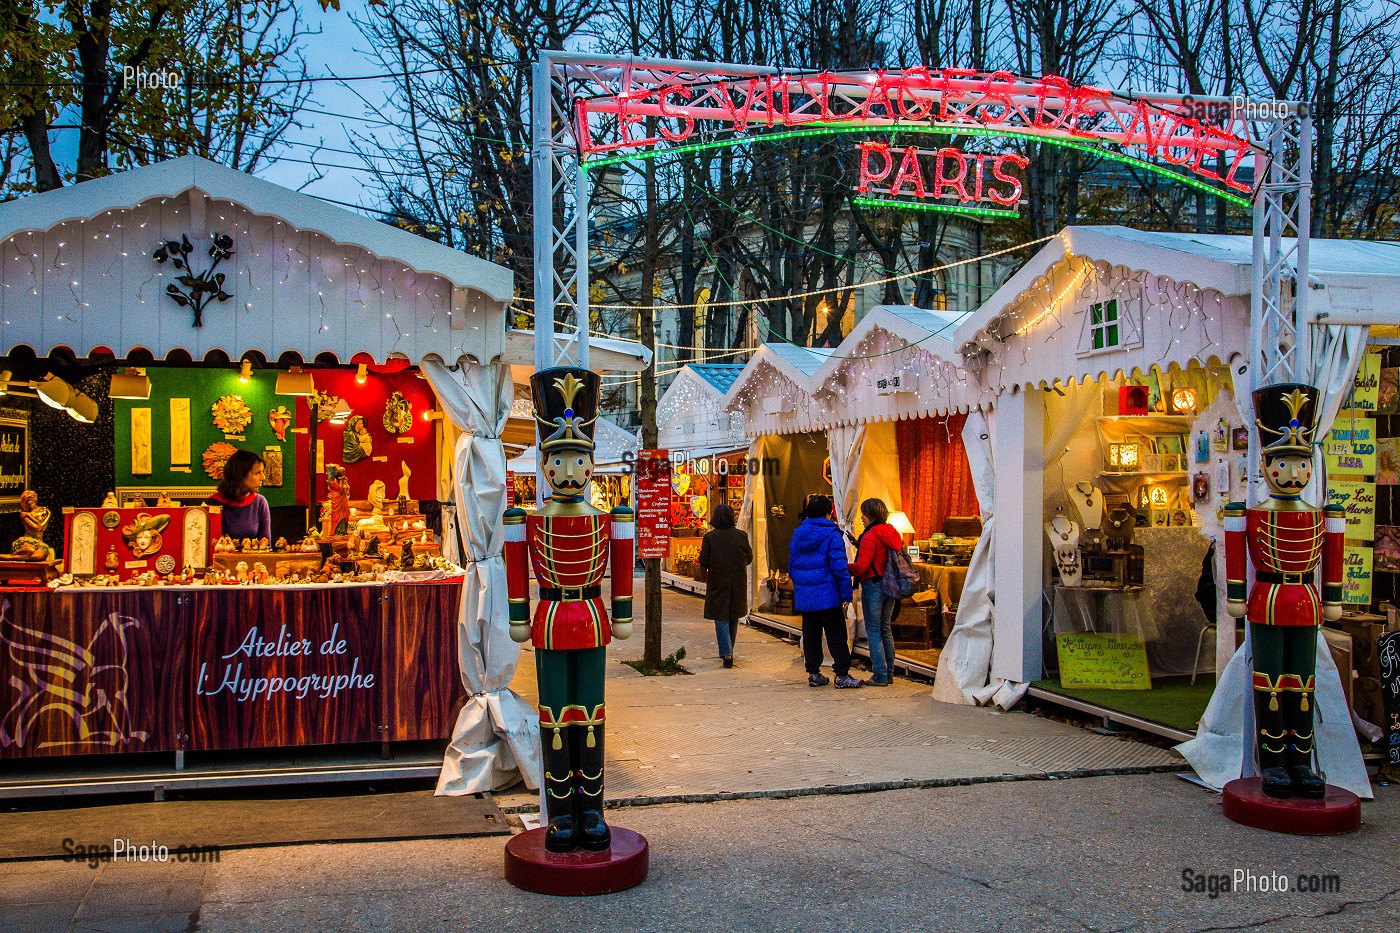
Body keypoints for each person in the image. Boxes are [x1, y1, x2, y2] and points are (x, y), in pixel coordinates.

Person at [504, 367, 634, 853]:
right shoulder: (528, 520)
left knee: (593, 713)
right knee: (554, 715)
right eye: (559, 460)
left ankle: (593, 809)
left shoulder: (610, 518)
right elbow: (517, 568)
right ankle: (562, 813)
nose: (569, 472)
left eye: (578, 460)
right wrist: (519, 614)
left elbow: (622, 565)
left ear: (591, 466)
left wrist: (622, 612)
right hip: (552, 621)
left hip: (593, 618)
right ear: (545, 465)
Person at [788, 494, 862, 688]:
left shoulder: (798, 534)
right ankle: (842, 675)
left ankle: (813, 673)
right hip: (828, 595)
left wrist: (802, 586)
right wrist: (846, 594)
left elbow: (792, 566)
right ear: (828, 514)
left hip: (806, 595)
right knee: (836, 635)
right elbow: (839, 567)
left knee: (810, 634)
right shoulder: (832, 535)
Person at [848, 497, 903, 686]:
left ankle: (879, 674)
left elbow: (861, 567)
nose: (861, 518)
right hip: (890, 586)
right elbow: (880, 552)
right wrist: (858, 544)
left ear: (871, 515)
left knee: (873, 630)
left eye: (864, 514)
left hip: (873, 585)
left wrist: (842, 566)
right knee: (885, 629)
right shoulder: (891, 532)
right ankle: (888, 673)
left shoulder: (870, 535)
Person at [699, 502, 752, 668]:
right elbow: (749, 558)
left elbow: (703, 561)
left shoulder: (710, 537)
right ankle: (729, 650)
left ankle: (727, 653)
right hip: (737, 581)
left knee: (721, 618)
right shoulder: (741, 535)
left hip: (717, 582)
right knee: (733, 616)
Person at [208, 449, 271, 542]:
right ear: (241, 475)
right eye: (258, 473)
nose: (263, 477)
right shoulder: (214, 503)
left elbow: (265, 544)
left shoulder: (260, 502)